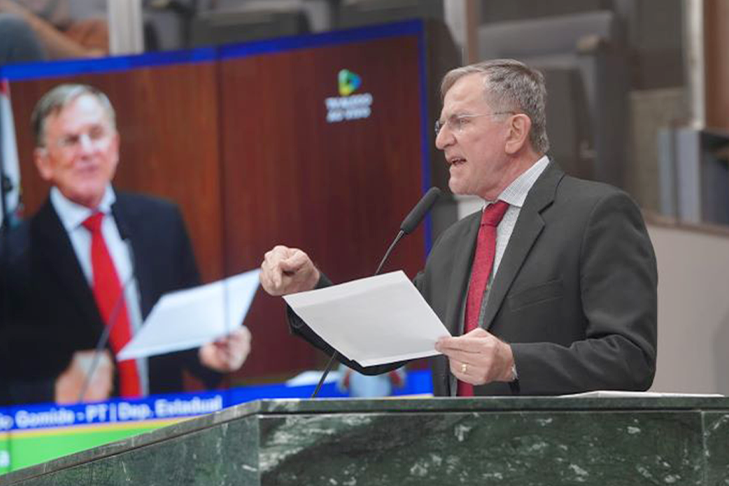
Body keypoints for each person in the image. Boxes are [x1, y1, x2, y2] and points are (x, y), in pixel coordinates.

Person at [260, 59, 657, 397]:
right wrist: (308, 288)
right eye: (441, 124)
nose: (442, 140)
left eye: (460, 122)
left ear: (515, 132)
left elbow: (629, 358)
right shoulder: (455, 243)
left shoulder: (597, 213)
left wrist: (514, 363)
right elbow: (377, 345)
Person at [0, 83, 250, 406]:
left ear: (115, 146)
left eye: (97, 134)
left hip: (163, 429)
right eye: (70, 140)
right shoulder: (13, 254)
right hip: (70, 445)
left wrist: (212, 352)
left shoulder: (162, 222)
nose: (87, 151)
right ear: (44, 162)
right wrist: (53, 392)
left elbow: (184, 332)